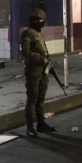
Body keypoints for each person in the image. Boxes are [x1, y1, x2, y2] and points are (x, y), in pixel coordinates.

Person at [20, 8, 56, 138]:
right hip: (33, 72)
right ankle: (30, 127)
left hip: (42, 71)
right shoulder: (27, 33)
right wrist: (41, 59)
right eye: (41, 21)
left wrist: (48, 64)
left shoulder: (37, 33)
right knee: (32, 99)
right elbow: (26, 52)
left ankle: (41, 124)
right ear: (34, 21)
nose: (43, 23)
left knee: (40, 99)